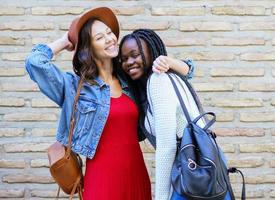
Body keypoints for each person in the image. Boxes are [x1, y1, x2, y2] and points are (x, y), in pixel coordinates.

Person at [25, 7, 193, 200]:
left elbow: (187, 71)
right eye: (99, 37)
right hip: (102, 179)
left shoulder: (130, 79)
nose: (110, 38)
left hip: (136, 175)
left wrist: (168, 62)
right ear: (88, 48)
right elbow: (35, 62)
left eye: (109, 33)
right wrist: (66, 40)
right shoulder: (74, 87)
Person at [119, 29, 232, 200]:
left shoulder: (158, 81)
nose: (129, 62)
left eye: (135, 55)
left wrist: (161, 197)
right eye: (124, 59)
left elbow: (167, 146)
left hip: (191, 173)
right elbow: (188, 70)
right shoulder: (170, 76)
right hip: (205, 168)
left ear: (152, 51)